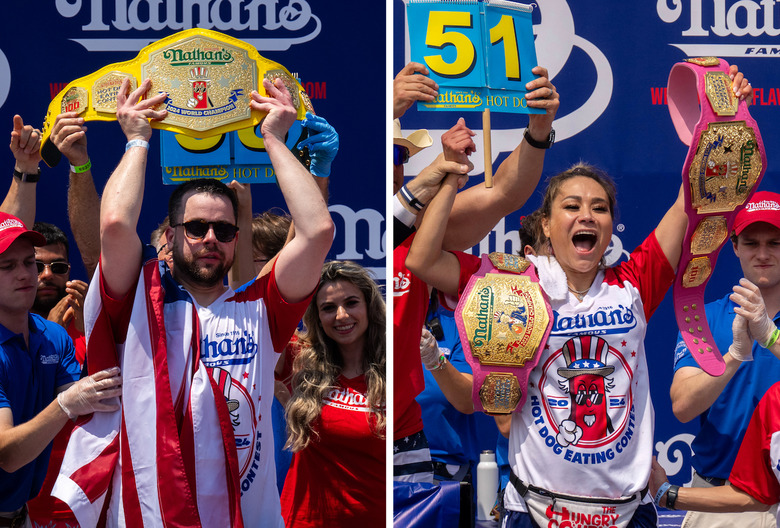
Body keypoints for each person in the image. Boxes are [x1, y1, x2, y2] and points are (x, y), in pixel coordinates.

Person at [51, 76, 333, 527]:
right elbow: (116, 227)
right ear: (171, 236)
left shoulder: (260, 310)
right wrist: (138, 141)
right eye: (196, 228)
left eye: (223, 231)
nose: (209, 240)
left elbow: (317, 232)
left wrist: (274, 139)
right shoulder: (138, 301)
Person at [406, 159, 691, 526]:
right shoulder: (514, 285)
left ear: (609, 225)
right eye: (572, 206)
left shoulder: (634, 282)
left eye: (599, 207)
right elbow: (423, 259)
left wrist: (720, 117)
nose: (586, 215)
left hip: (627, 512)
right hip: (537, 512)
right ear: (546, 224)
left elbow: (688, 201)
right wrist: (448, 181)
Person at [393, 66, 559, 484]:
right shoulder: (328, 226)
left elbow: (505, 192)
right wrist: (389, 111)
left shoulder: (423, 229)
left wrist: (538, 130)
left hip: (411, 443)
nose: (392, 166)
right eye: (384, 153)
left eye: (399, 156)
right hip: (345, 422)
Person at [0, 211, 122, 525]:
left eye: (28, 262)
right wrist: (67, 403)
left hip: (25, 514)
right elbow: (8, 455)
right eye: (8, 266)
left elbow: (91, 413)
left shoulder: (53, 336)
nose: (28, 275)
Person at [670, 191, 780, 528]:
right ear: (734, 246)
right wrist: (734, 356)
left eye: (774, 242)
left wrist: (771, 337)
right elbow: (683, 407)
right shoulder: (704, 316)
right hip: (717, 501)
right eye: (751, 242)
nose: (762, 254)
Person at [280, 260, 385, 527]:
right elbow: (255, 308)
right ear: (317, 316)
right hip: (304, 521)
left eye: (351, 303)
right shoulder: (300, 361)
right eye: (328, 308)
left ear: (369, 307)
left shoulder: (393, 374)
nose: (341, 316)